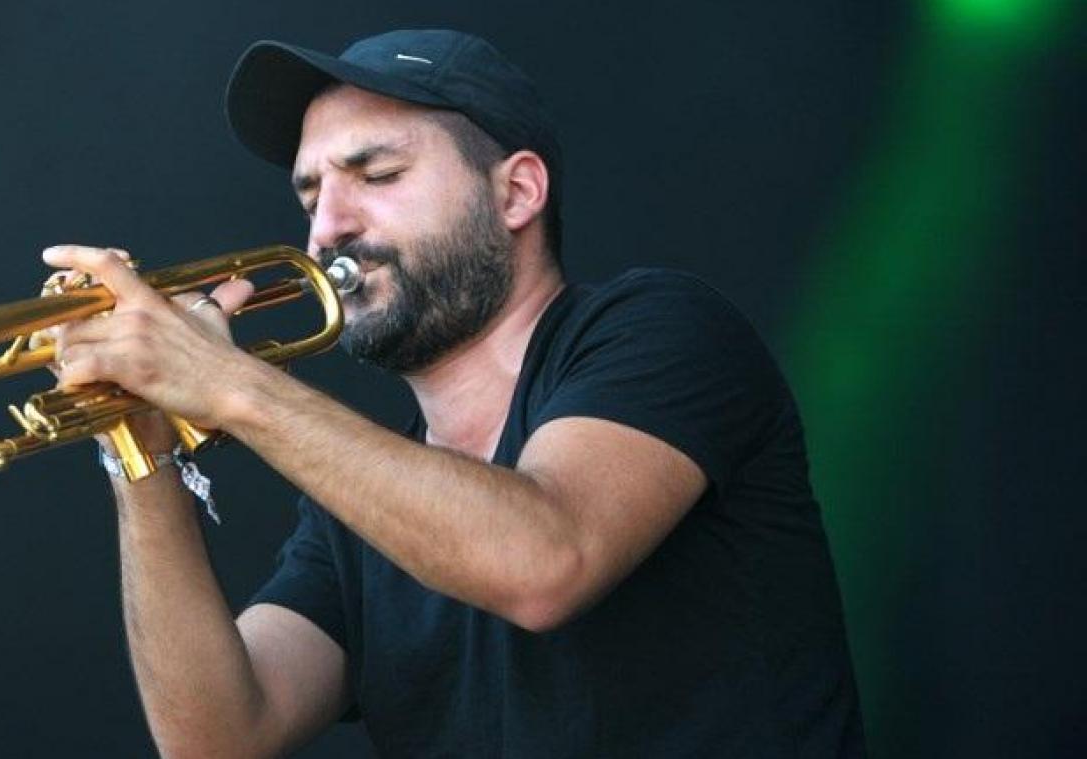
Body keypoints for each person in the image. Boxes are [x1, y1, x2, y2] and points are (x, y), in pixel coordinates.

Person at [43, 29, 865, 758]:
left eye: (378, 173)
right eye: (310, 194)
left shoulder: (662, 329)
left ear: (516, 193)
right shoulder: (356, 510)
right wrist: (138, 449)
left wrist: (227, 383)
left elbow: (544, 560)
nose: (327, 226)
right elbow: (219, 736)